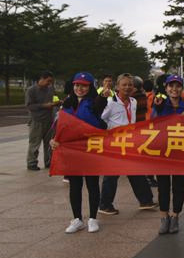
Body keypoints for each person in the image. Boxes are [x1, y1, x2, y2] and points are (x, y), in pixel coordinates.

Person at [51, 72, 108, 233]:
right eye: (77, 85)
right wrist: (54, 139)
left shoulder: (95, 103)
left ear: (90, 87)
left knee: (92, 184)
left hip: (90, 150)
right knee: (75, 185)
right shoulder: (67, 104)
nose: (79, 88)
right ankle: (77, 219)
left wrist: (103, 97)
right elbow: (58, 125)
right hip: (72, 151)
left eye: (83, 85)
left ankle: (92, 218)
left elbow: (101, 120)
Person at [98, 73, 158, 215]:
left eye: (130, 84)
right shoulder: (110, 102)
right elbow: (101, 120)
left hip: (129, 142)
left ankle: (145, 200)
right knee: (112, 175)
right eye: (124, 84)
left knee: (135, 170)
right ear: (117, 86)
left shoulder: (133, 101)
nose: (127, 87)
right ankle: (104, 204)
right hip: (114, 143)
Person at [151, 74, 184, 234]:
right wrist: (158, 108)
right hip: (162, 151)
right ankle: (164, 217)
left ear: (181, 88)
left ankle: (175, 216)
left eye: (177, 86)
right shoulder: (160, 104)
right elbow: (152, 123)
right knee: (163, 186)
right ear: (166, 88)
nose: (174, 89)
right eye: (171, 86)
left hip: (180, 151)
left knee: (178, 186)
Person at [25, 71, 58, 171]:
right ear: (42, 79)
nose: (49, 83)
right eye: (48, 81)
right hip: (36, 120)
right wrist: (45, 106)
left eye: (51, 82)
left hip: (49, 120)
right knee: (35, 143)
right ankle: (32, 163)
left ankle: (49, 162)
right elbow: (29, 106)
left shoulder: (50, 89)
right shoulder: (31, 90)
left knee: (49, 143)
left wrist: (56, 103)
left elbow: (52, 100)